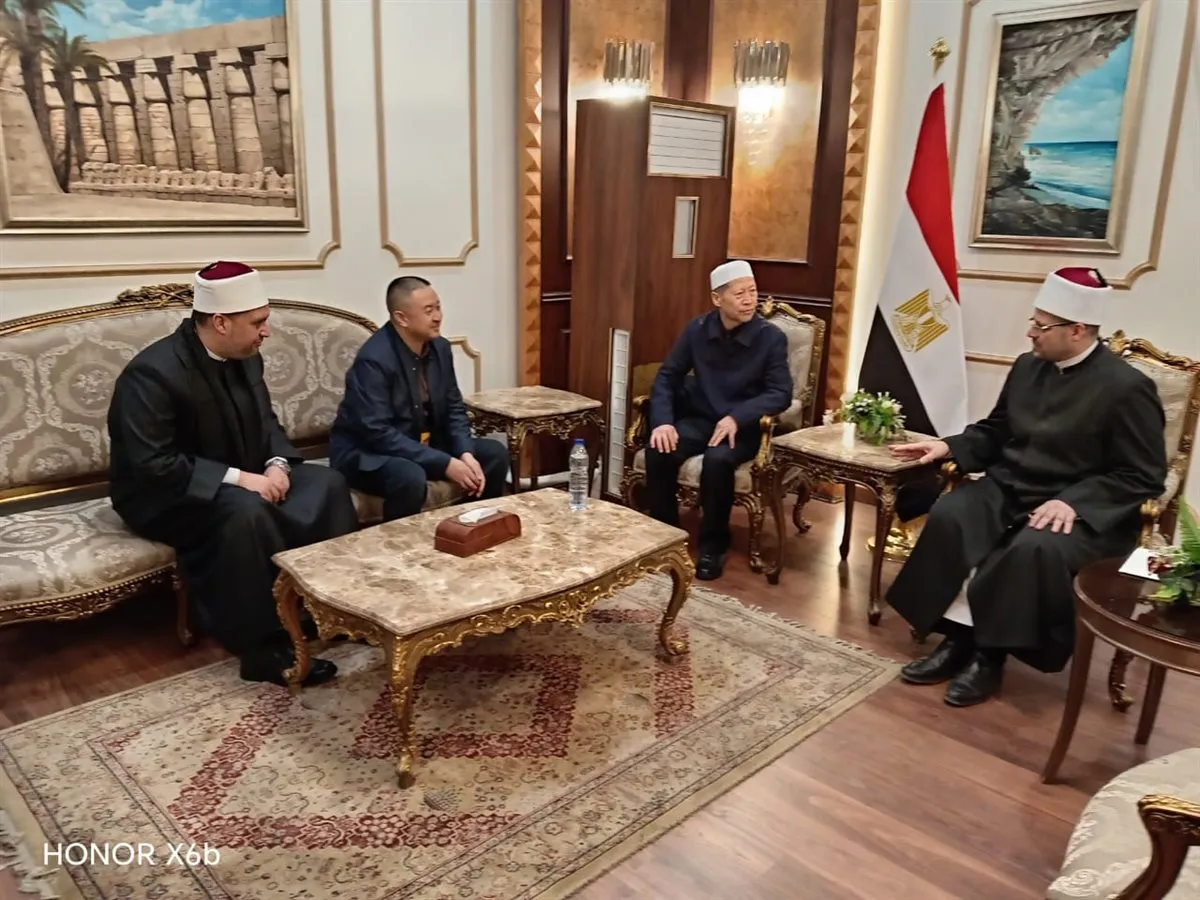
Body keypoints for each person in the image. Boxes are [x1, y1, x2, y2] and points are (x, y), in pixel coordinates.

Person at [886, 267, 1167, 707]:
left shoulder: (1128, 388)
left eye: (1041, 326)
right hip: (1012, 486)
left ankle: (989, 656)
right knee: (952, 515)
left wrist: (1074, 502)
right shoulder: (1026, 367)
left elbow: (1144, 474)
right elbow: (997, 431)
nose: (1030, 333)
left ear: (1077, 330)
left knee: (1031, 549)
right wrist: (949, 446)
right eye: (1033, 322)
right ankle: (956, 638)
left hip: (1080, 510)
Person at [107, 261, 360, 687]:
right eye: (257, 322)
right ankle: (263, 648)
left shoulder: (245, 356)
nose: (266, 332)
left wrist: (277, 464)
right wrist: (243, 479)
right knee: (245, 512)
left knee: (328, 484)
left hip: (241, 474)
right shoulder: (152, 373)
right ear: (221, 322)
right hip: (163, 493)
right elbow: (154, 465)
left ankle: (332, 611)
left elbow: (265, 421)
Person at [644, 260, 793, 580]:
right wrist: (663, 422)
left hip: (744, 427)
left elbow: (780, 393)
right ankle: (665, 537)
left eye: (752, 292)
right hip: (703, 418)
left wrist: (737, 417)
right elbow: (668, 376)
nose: (749, 300)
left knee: (718, 460)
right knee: (659, 449)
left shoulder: (771, 338)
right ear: (717, 298)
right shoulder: (697, 330)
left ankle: (713, 546)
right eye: (740, 294)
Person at [329, 276, 508, 520]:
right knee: (409, 475)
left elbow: (454, 407)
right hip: (368, 454)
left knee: (493, 453)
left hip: (422, 443)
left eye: (438, 307)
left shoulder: (440, 348)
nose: (438, 317)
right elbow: (377, 433)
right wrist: (445, 463)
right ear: (401, 318)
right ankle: (400, 542)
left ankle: (472, 527)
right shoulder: (374, 360)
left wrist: (465, 452)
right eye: (428, 310)